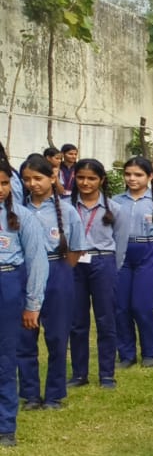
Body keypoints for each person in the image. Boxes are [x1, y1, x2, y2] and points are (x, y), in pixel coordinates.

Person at [17, 156, 87, 410]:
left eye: (38, 178)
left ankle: (55, 394)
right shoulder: (17, 209)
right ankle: (30, 394)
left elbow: (76, 250)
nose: (32, 184)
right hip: (23, 271)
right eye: (27, 179)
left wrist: (59, 273)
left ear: (52, 178)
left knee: (57, 336)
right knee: (25, 337)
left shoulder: (67, 211)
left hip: (58, 271)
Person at [0, 166, 49, 446]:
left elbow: (37, 262)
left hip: (8, 284)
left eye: (5, 182)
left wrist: (33, 304)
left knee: (5, 359)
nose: (1, 188)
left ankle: (6, 426)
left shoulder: (22, 217)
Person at [69, 160, 119, 390]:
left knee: (105, 319)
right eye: (81, 178)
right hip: (74, 262)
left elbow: (122, 241)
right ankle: (80, 373)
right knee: (77, 320)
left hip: (103, 261)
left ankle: (107, 374)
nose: (85, 182)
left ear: (101, 180)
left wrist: (112, 267)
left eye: (91, 178)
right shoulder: (66, 206)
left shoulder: (114, 208)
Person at [113, 158, 153, 368]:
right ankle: (127, 354)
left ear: (150, 177)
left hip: (149, 252)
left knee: (141, 306)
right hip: (121, 254)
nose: (132, 179)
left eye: (138, 174)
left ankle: (149, 353)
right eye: (128, 174)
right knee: (120, 307)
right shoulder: (115, 201)